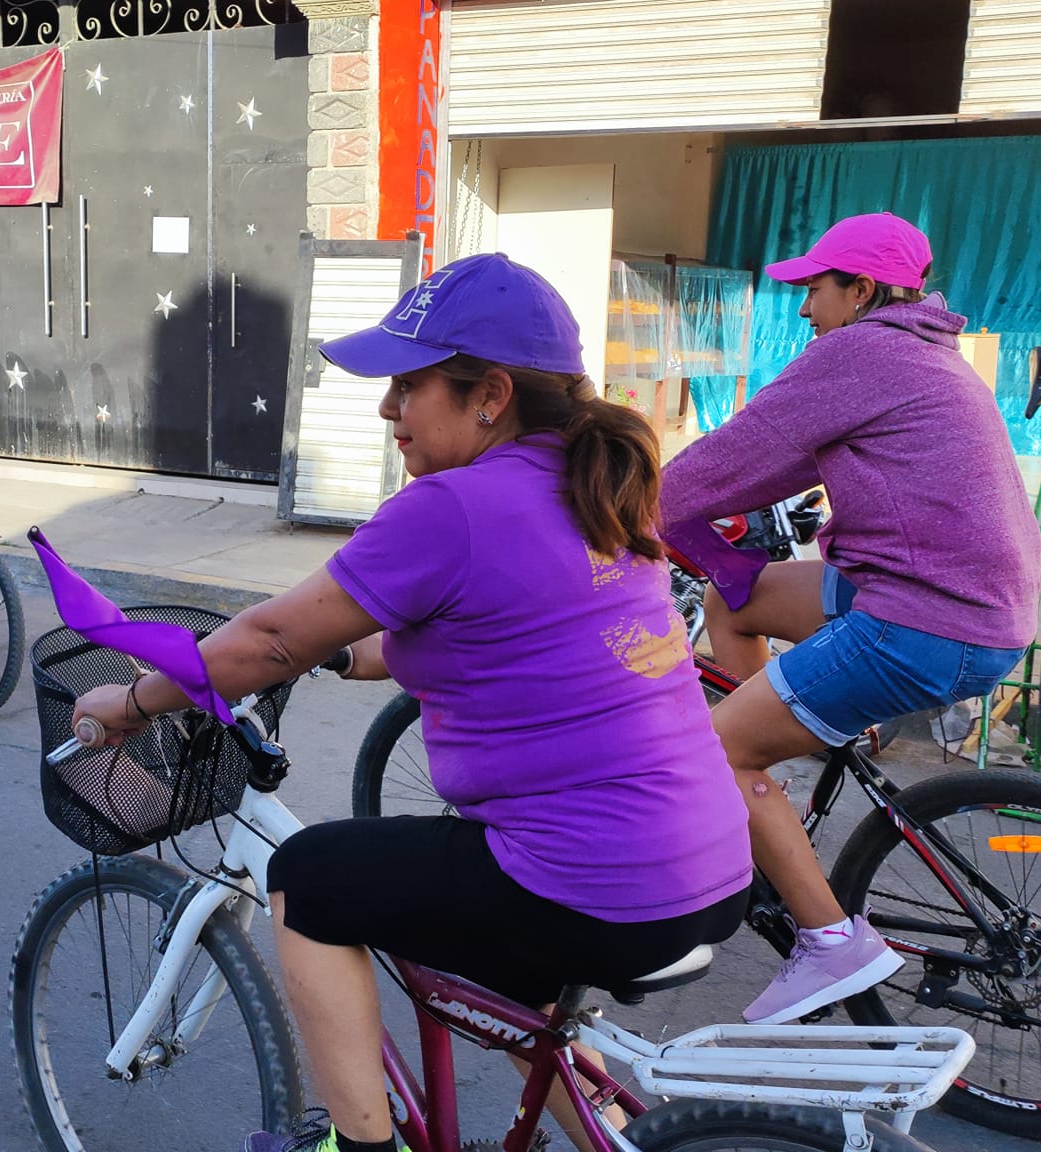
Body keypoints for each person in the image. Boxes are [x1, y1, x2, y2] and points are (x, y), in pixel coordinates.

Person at [71, 254, 753, 1152]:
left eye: (408, 384)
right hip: (707, 869)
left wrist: (133, 703)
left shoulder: (453, 507)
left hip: (592, 881)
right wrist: (352, 656)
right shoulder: (596, 487)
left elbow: (269, 638)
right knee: (502, 969)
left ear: (490, 395)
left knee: (310, 877)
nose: (389, 409)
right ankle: (612, 1135)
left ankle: (360, 1147)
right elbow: (508, 627)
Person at [660, 212, 1041, 1025]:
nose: (803, 309)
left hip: (923, 618)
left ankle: (831, 941)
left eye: (815, 290)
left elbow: (736, 452)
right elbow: (777, 461)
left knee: (709, 749)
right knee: (739, 594)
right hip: (962, 604)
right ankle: (773, 787)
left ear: (862, 290)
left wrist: (614, 509)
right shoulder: (923, 351)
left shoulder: (862, 350)